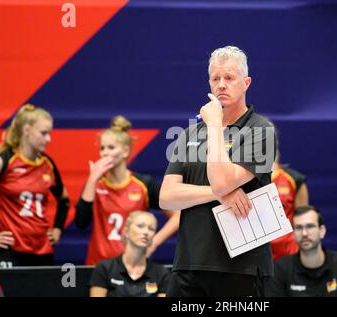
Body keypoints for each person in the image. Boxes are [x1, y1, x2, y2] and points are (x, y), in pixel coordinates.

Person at [160, 45, 276, 297]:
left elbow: (222, 181)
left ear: (246, 83)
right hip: (189, 265)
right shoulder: (191, 133)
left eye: (229, 78)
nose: (221, 84)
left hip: (241, 267)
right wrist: (220, 195)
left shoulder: (261, 130)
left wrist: (214, 124)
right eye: (215, 78)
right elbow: (167, 196)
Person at [75, 115, 179, 265]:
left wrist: (154, 242)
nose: (104, 153)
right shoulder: (95, 184)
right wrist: (91, 180)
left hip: (133, 265)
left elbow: (177, 216)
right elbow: (81, 223)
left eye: (111, 148)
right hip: (98, 265)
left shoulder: (143, 184)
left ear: (125, 151)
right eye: (102, 148)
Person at [0, 104, 69, 266]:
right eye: (43, 133)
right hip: (10, 250)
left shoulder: (47, 164)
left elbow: (64, 200)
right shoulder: (4, 161)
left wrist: (57, 229)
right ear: (27, 130)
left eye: (49, 133)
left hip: (42, 250)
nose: (48, 139)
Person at [266, 205, 337, 297]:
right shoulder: (280, 268)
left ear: (322, 231)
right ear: (293, 234)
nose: (304, 233)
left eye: (310, 226)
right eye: (299, 228)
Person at [89, 211, 170, 297]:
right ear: (126, 231)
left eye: (151, 229)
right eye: (140, 226)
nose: (146, 232)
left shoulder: (162, 273)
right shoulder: (105, 268)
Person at [271, 149, 309, 261]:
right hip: (255, 256)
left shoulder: (294, 179)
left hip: (288, 253)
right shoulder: (241, 179)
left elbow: (303, 220)